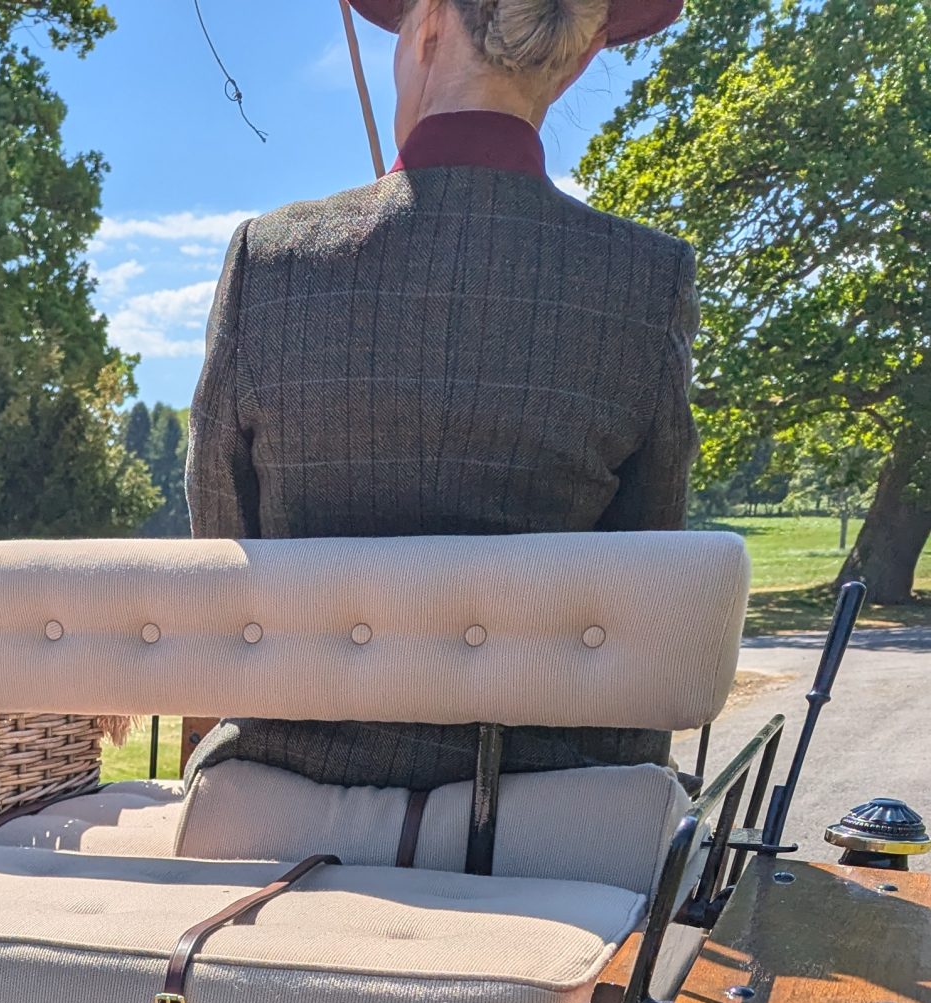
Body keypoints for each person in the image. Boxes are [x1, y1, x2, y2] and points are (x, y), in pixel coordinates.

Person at [186, 0, 691, 793]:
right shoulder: (647, 280)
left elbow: (223, 543)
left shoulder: (271, 260)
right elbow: (645, 566)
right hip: (552, 810)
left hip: (290, 793)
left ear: (425, 27)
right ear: (580, 58)